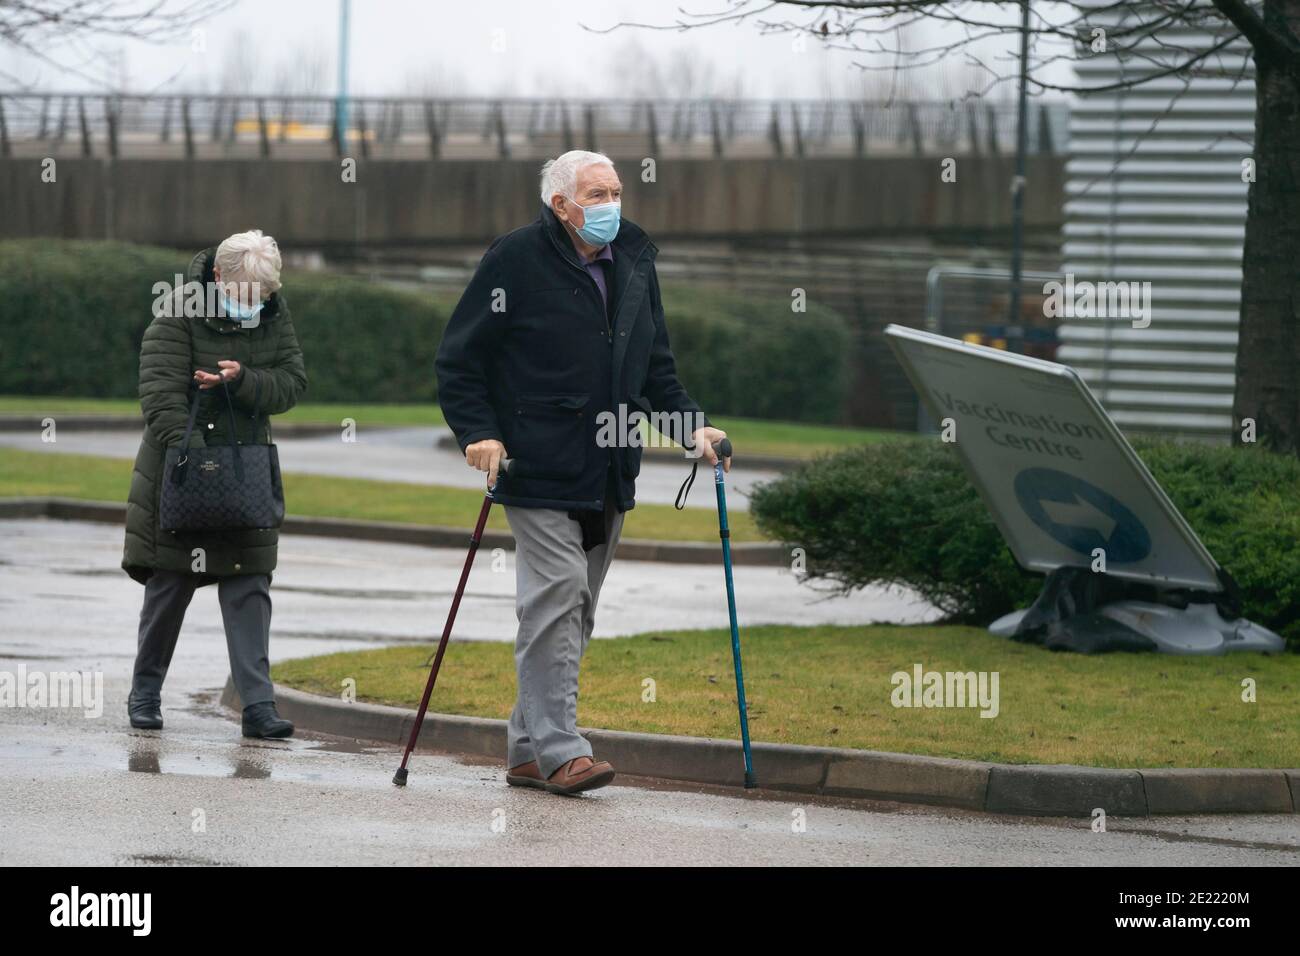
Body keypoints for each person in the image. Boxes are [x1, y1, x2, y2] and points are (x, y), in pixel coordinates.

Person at [435, 150, 730, 795]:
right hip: (537, 462)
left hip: (609, 467)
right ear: (560, 204)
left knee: (575, 608)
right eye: (596, 194)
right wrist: (478, 432)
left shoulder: (634, 263)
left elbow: (656, 368)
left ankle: (524, 749)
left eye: (616, 192)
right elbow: (461, 358)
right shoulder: (515, 259)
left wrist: (691, 428)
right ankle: (563, 750)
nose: (610, 205)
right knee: (559, 594)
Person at [122, 229, 307, 738]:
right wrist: (202, 467)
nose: (257, 301)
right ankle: (145, 693)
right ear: (220, 278)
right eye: (249, 292)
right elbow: (160, 399)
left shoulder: (273, 309)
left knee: (250, 586)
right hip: (183, 474)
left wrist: (242, 379)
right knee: (170, 586)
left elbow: (292, 383)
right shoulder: (179, 310)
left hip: (246, 477)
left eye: (265, 293)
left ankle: (258, 707)